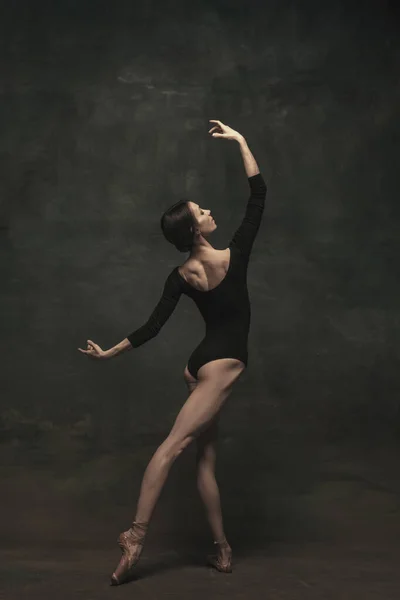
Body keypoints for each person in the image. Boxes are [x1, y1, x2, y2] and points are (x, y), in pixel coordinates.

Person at [78, 120, 267, 584]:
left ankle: (222, 549)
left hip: (198, 364)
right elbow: (257, 195)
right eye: (201, 211)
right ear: (196, 230)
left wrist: (110, 354)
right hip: (222, 365)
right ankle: (135, 535)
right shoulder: (234, 254)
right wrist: (242, 142)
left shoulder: (180, 277)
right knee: (172, 448)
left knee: (204, 462)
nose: (208, 210)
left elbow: (152, 327)